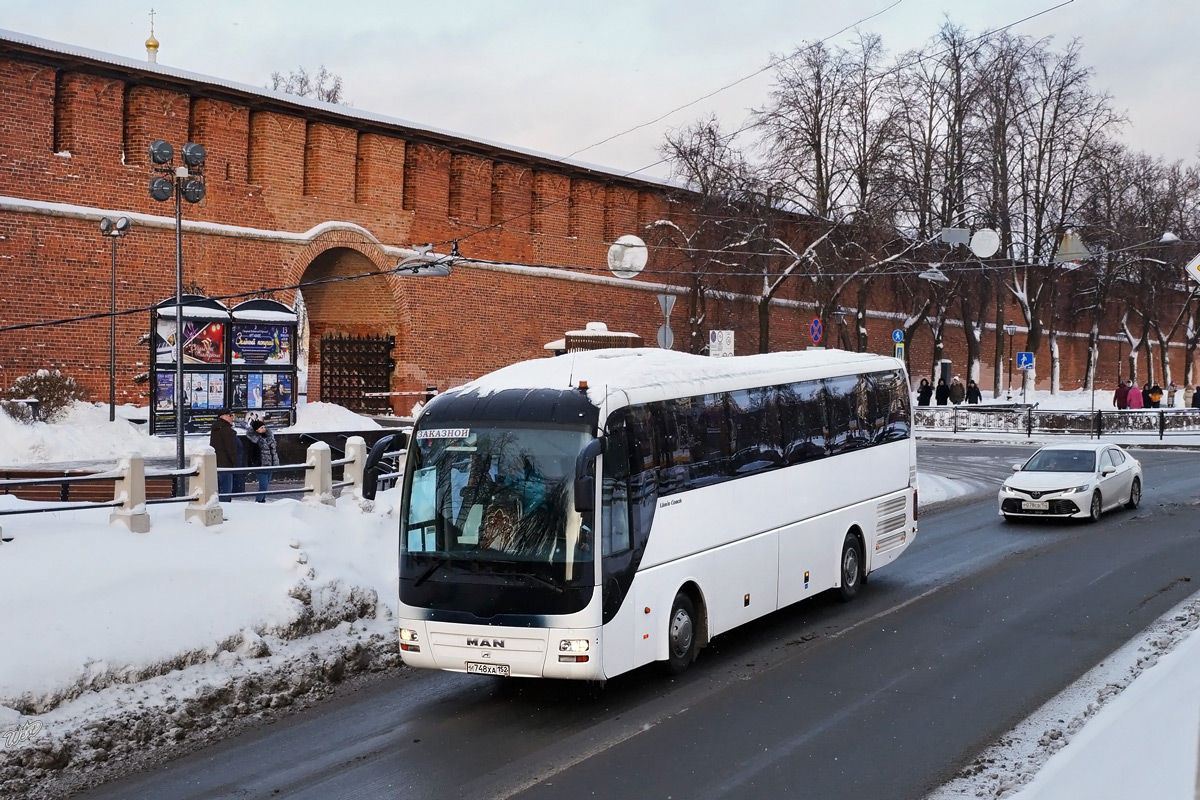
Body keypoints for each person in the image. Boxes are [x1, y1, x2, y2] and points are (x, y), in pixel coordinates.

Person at [244, 416, 280, 503]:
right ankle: (259, 501)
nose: (264, 429)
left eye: (264, 427)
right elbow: (252, 454)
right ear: (256, 430)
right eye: (261, 427)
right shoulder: (254, 440)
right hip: (260, 465)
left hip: (270, 464)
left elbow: (273, 451)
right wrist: (255, 464)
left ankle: (262, 500)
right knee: (263, 485)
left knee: (266, 485)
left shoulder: (269, 437)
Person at [209, 409, 238, 501]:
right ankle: (225, 508)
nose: (232, 418)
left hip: (217, 462)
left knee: (220, 488)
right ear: (223, 416)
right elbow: (230, 447)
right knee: (226, 489)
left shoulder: (216, 428)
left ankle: (220, 505)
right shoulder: (226, 430)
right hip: (226, 463)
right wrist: (235, 461)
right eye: (230, 415)